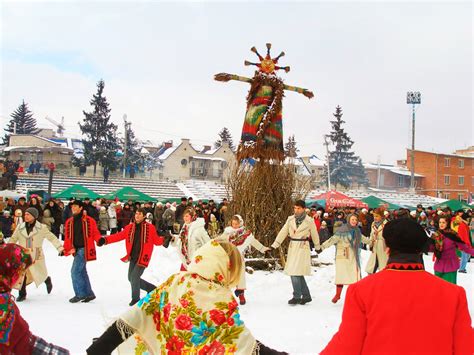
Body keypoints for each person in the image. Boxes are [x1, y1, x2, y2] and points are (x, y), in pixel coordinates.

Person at [86, 240, 287, 355]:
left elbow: (136, 315)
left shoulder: (176, 282)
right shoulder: (220, 300)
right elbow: (241, 343)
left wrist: (100, 348)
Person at [320, 218, 472, 355]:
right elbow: (466, 347)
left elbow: (347, 346)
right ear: (420, 250)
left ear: (387, 248)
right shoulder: (453, 294)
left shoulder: (360, 291)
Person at [0, 243, 70, 354]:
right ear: (9, 270)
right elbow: (24, 344)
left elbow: (26, 342)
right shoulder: (4, 308)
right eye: (20, 272)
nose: (22, 278)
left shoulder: (5, 302)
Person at [98, 208, 164, 306]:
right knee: (131, 278)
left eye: (139, 214)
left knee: (134, 277)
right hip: (132, 257)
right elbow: (118, 236)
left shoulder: (150, 228)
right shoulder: (129, 227)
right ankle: (151, 288)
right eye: (136, 213)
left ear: (144, 216)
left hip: (143, 257)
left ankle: (136, 299)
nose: (137, 215)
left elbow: (157, 241)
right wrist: (105, 240)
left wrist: (165, 238)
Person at [9, 207, 64, 302]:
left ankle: (47, 280)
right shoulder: (20, 227)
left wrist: (60, 248)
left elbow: (52, 238)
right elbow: (13, 239)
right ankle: (22, 294)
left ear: (34, 216)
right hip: (23, 255)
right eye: (25, 214)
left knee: (39, 273)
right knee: (22, 274)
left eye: (28, 214)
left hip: (36, 255)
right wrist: (7, 249)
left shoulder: (42, 227)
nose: (25, 216)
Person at [271, 200, 320, 305]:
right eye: (295, 208)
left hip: (303, 247)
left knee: (294, 272)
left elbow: (315, 234)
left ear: (303, 209)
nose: (296, 210)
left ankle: (297, 296)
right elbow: (283, 232)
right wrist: (275, 244)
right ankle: (306, 296)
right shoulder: (290, 219)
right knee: (296, 271)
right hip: (293, 247)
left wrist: (317, 246)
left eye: (298, 208)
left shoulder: (309, 221)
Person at [217, 214, 270, 305]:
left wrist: (263, 248)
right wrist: (212, 242)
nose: (235, 225)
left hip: (238, 256)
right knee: (227, 276)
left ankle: (241, 295)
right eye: (233, 223)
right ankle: (226, 296)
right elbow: (220, 240)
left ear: (240, 223)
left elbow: (254, 242)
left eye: (236, 224)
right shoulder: (227, 232)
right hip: (228, 257)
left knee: (240, 276)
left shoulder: (246, 233)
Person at [320, 214, 370, 303]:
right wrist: (322, 246)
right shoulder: (342, 231)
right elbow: (333, 239)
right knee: (341, 275)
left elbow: (364, 239)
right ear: (348, 220)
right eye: (352, 219)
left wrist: (372, 242)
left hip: (353, 257)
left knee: (355, 276)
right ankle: (337, 295)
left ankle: (356, 296)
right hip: (343, 256)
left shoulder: (357, 231)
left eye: (355, 219)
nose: (354, 221)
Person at [63, 200, 102, 303]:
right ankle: (89, 293)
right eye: (72, 206)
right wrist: (65, 249)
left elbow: (95, 233)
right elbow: (67, 238)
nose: (73, 208)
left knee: (75, 272)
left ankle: (80, 294)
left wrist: (100, 240)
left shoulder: (89, 220)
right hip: (76, 249)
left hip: (84, 249)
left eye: (76, 206)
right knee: (82, 272)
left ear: (81, 208)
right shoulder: (69, 221)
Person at [431, 216, 474, 284]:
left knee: (450, 288)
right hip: (439, 265)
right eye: (440, 222)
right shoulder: (436, 235)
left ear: (447, 223)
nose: (441, 224)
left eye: (443, 222)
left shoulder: (453, 235)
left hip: (450, 265)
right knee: (438, 288)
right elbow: (431, 248)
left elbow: (465, 248)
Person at [365, 208, 388, 274]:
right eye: (374, 216)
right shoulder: (373, 224)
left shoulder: (386, 224)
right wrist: (370, 244)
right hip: (375, 247)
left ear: (381, 216)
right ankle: (371, 281)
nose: (375, 218)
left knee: (383, 267)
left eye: (377, 216)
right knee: (370, 268)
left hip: (383, 247)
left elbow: (389, 237)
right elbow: (371, 235)